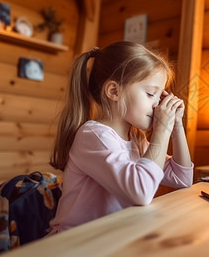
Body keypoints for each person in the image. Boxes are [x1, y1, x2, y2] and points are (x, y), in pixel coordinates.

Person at [48, 41, 194, 234]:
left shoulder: (136, 139)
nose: (158, 105)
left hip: (110, 236)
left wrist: (175, 125)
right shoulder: (93, 136)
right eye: (151, 94)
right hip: (73, 243)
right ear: (114, 91)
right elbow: (140, 192)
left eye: (160, 96)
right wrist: (162, 129)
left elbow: (182, 178)